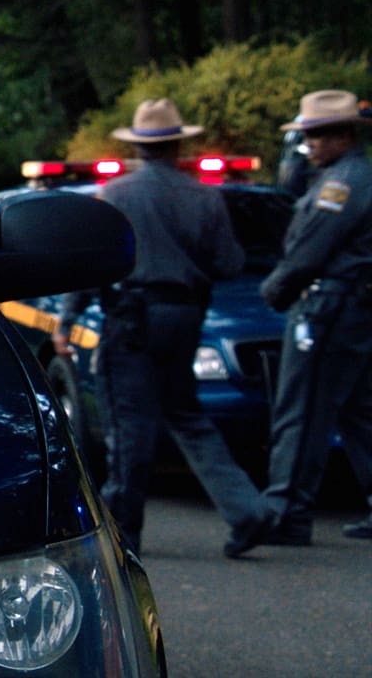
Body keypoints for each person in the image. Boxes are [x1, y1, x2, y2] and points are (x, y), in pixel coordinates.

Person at [53, 99, 274, 558]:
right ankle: (248, 510)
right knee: (187, 415)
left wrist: (67, 320)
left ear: (139, 147)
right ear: (177, 146)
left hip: (132, 319)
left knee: (130, 427)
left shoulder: (116, 195)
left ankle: (124, 534)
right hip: (185, 317)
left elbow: (93, 263)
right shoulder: (205, 196)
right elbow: (229, 263)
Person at [259, 89, 372, 545]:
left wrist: (275, 288)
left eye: (318, 136)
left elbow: (310, 248)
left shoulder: (341, 185)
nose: (310, 145)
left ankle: (287, 512)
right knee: (360, 411)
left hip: (328, 306)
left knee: (303, 410)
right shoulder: (348, 177)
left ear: (344, 136)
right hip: (351, 306)